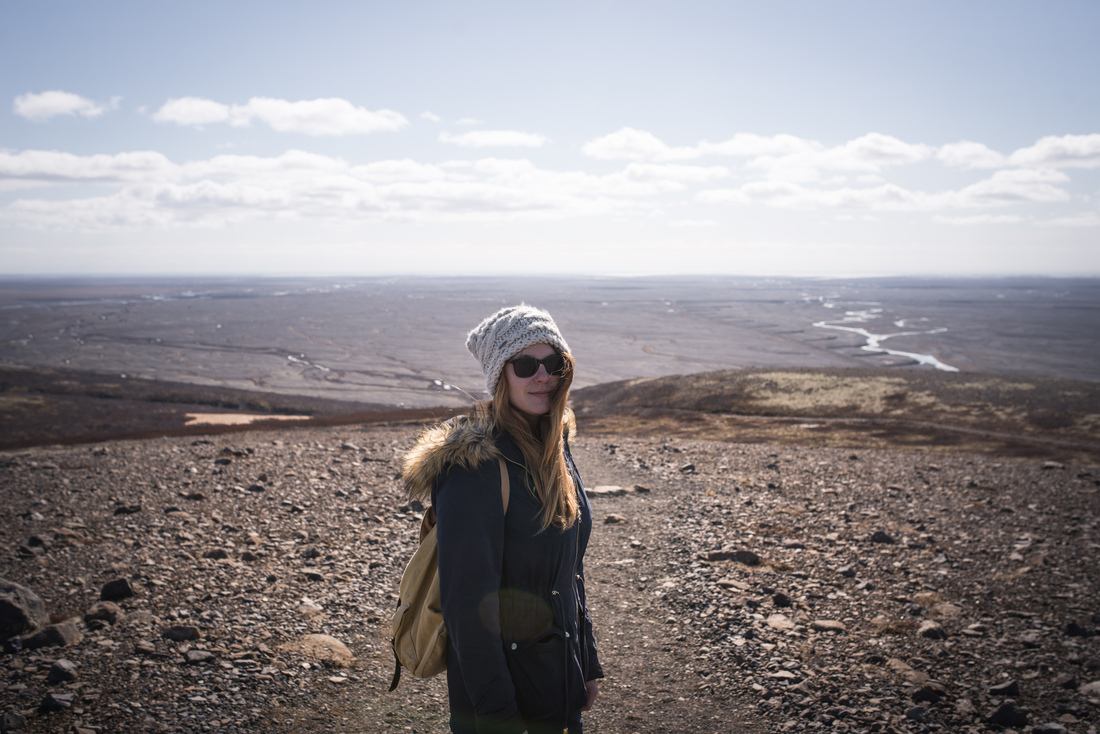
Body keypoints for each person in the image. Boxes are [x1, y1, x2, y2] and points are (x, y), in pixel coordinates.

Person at [402, 304, 603, 734]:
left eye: (553, 362)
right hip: (501, 703)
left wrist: (586, 661)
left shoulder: (555, 446)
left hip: (558, 686)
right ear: (499, 375)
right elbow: (466, 610)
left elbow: (570, 571)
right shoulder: (473, 468)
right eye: (525, 364)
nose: (542, 375)